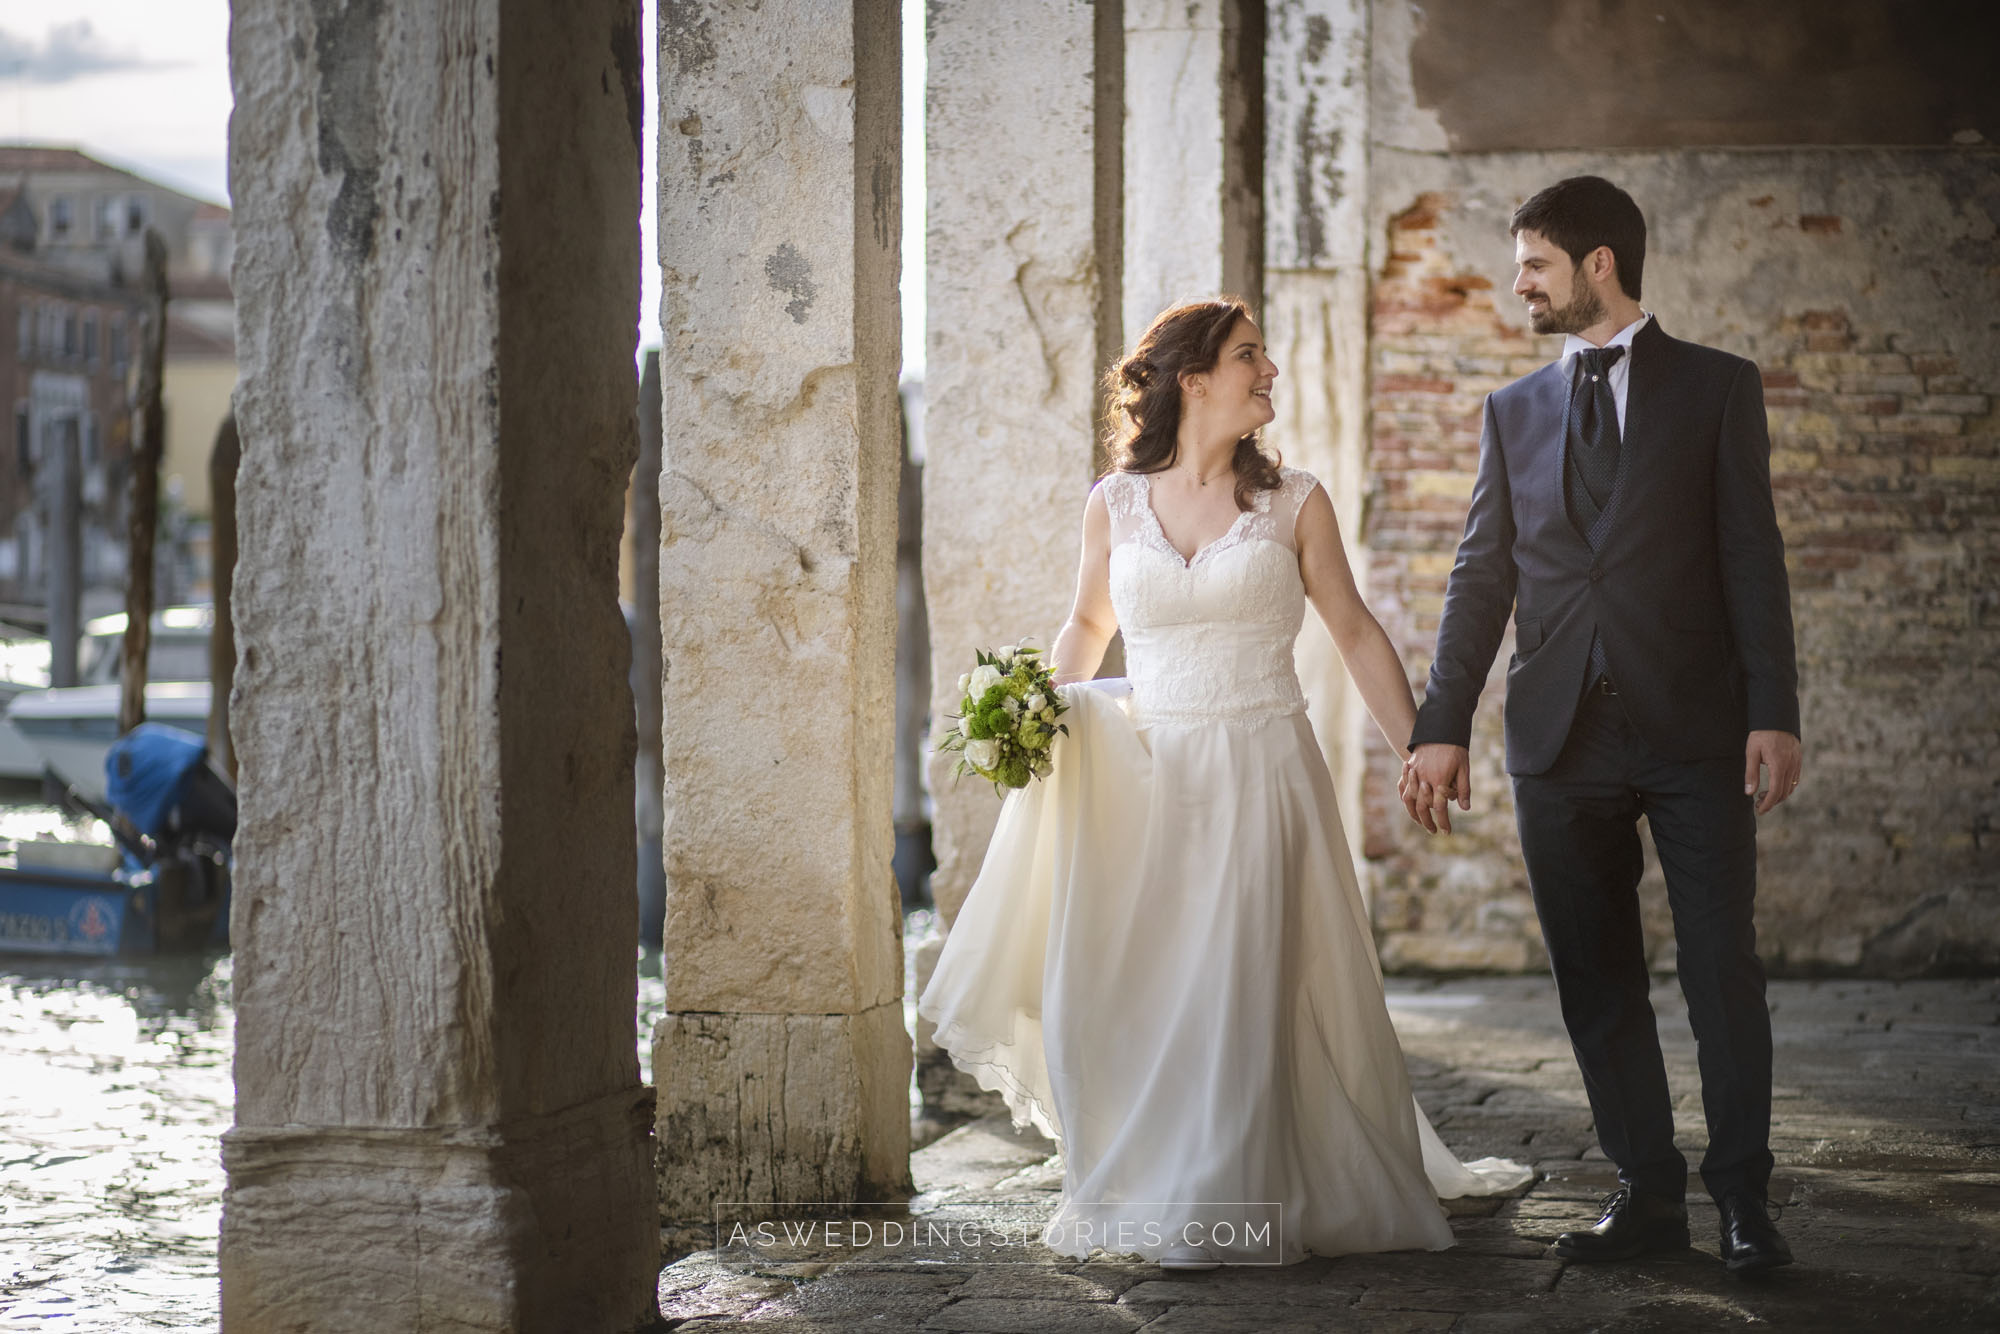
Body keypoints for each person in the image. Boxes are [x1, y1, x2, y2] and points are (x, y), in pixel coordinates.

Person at [918, 297, 1529, 1271]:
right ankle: (1153, 1170)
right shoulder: (1113, 502)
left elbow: (1356, 631)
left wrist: (1417, 745)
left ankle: (1240, 1193)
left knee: (1243, 977)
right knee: (1157, 983)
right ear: (1191, 378)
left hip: (1261, 768)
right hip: (1148, 772)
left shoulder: (1296, 500)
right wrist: (1035, 711)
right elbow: (1085, 622)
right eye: (1250, 356)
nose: (1269, 371)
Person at [1401, 176, 1801, 1276]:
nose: (1514, 283)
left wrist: (1773, 709)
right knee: (1593, 976)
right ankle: (1646, 1190)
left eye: (1530, 263)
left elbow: (1748, 558)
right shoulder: (1511, 410)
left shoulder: (1716, 389)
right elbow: (1479, 577)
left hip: (1694, 729)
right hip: (1556, 735)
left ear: (1595, 265)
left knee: (1722, 968)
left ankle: (1743, 1202)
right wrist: (1440, 723)